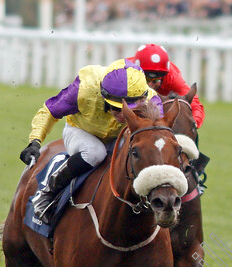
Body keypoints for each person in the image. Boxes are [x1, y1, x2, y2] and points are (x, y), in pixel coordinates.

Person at [19, 58, 163, 223]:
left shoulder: (152, 101)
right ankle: (47, 192)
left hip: (120, 137)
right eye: (117, 108)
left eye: (130, 111)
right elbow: (50, 111)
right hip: (81, 131)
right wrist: (35, 141)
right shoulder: (85, 89)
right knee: (95, 153)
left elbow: (158, 138)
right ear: (104, 96)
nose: (122, 115)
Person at [129, 44, 211, 175]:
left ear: (163, 76)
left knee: (187, 125)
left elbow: (194, 103)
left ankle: (194, 174)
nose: (150, 86)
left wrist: (193, 123)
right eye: (146, 79)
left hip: (162, 109)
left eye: (155, 80)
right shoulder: (125, 73)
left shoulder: (171, 76)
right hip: (133, 105)